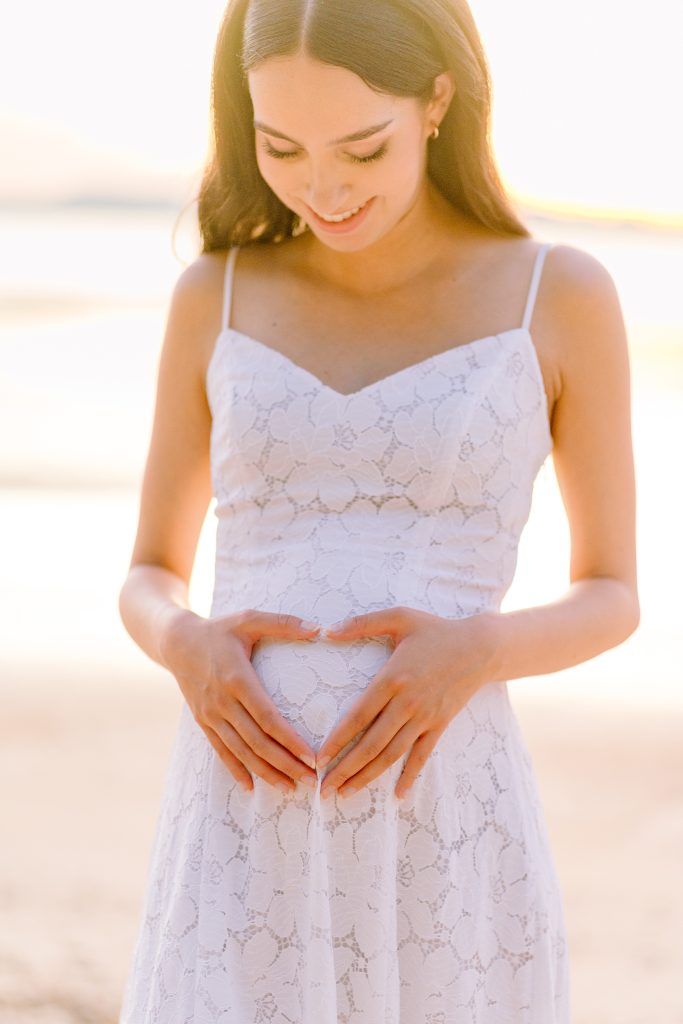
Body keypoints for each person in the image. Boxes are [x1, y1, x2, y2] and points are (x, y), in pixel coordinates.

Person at [117, 0, 639, 1021]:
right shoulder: (212, 296)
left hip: (438, 805)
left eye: (361, 147)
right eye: (280, 147)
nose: (321, 186)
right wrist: (183, 642)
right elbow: (147, 570)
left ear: (437, 99)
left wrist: (477, 647)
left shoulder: (559, 294)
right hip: (239, 809)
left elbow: (611, 591)